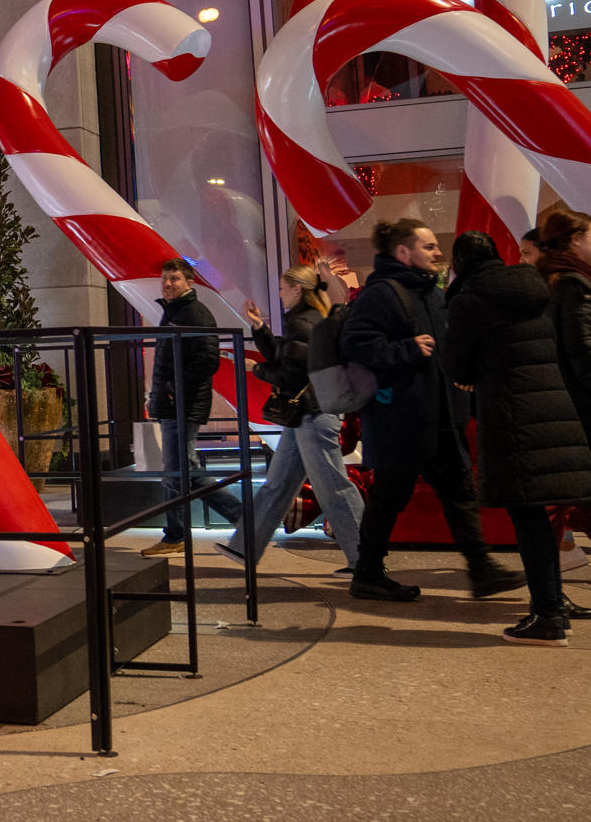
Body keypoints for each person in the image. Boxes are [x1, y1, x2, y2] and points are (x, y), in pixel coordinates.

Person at [341, 219, 523, 602]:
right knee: (391, 497)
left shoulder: (432, 293)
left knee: (456, 492)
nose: (438, 252)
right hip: (402, 419)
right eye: (428, 246)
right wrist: (405, 349)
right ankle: (370, 573)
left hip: (437, 415)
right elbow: (355, 344)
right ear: (403, 253)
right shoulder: (382, 294)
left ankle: (479, 567)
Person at [445, 230, 591, 644]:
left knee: (527, 519)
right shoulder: (535, 286)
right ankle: (552, 605)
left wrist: (471, 378)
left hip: (512, 414)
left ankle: (547, 617)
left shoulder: (469, 298)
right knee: (542, 519)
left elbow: (455, 362)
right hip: (555, 409)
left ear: (460, 266)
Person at [217, 265, 365, 571]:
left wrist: (254, 369)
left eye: (284, 287)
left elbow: (289, 372)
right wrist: (259, 328)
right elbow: (285, 358)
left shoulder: (302, 323)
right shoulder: (309, 320)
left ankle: (367, 560)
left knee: (333, 488)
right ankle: (245, 548)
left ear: (298, 289)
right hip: (307, 416)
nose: (280, 292)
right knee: (279, 486)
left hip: (313, 415)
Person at [141, 258, 243, 558]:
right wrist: (158, 395)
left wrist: (172, 391)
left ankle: (241, 519)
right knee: (182, 472)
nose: (168, 284)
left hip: (183, 406)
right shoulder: (175, 312)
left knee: (180, 473)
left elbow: (208, 360)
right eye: (165, 279)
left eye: (174, 278)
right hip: (173, 404)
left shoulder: (194, 313)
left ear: (190, 283)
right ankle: (179, 535)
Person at [537, 212, 591, 579]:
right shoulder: (574, 285)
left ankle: (555, 576)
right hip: (581, 409)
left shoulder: (560, 280)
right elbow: (584, 353)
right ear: (575, 240)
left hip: (567, 408)